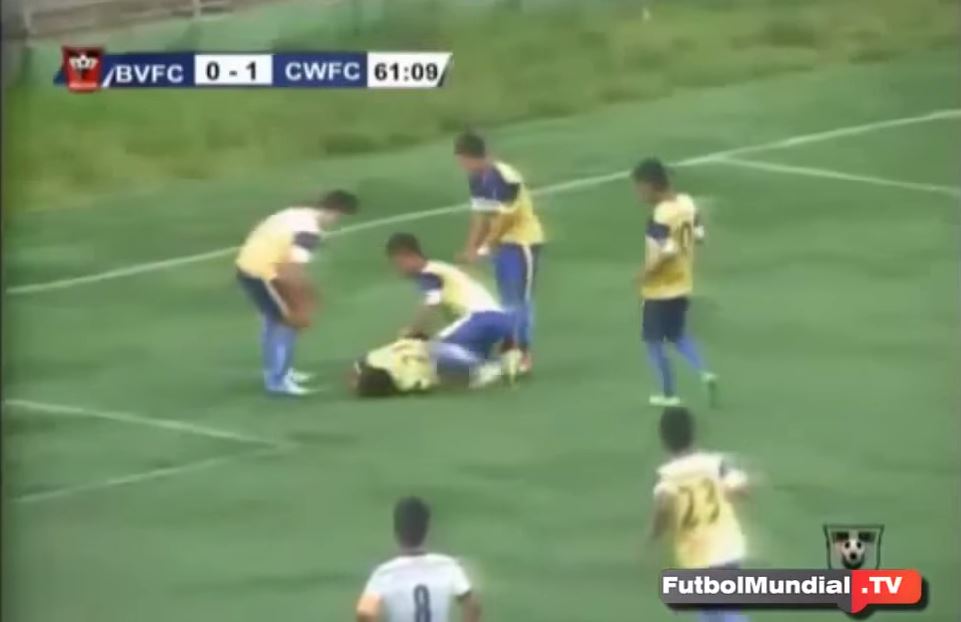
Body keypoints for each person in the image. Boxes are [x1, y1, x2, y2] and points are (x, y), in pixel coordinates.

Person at [235, 190, 358, 396]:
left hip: (251, 267)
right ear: (335, 212)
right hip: (263, 272)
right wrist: (303, 301)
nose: (336, 222)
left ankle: (280, 372)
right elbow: (291, 269)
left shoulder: (295, 213)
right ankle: (278, 381)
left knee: (275, 322)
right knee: (287, 323)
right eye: (339, 217)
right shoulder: (309, 232)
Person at [454, 131, 544, 375]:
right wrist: (470, 248)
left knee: (519, 299)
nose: (461, 166)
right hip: (502, 246)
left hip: (523, 242)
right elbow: (480, 217)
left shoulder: (505, 177)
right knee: (506, 301)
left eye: (462, 160)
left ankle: (523, 352)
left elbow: (506, 218)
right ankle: (510, 349)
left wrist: (484, 247)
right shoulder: (476, 179)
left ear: (470, 157)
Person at [649, 406, 750, 622]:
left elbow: (663, 507)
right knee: (718, 609)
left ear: (664, 441)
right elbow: (741, 487)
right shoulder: (715, 464)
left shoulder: (667, 476)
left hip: (697, 553)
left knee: (716, 611)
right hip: (729, 546)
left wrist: (654, 535)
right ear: (694, 433)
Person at [633, 158, 717, 407]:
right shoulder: (687, 203)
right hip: (682, 283)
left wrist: (645, 273)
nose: (638, 194)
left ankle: (668, 394)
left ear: (649, 186)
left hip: (659, 289)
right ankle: (705, 371)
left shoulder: (659, 216)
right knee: (678, 335)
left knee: (653, 341)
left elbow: (667, 251)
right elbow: (699, 236)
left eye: (639, 188)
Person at [386, 232, 519, 387]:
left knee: (426, 350)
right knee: (452, 353)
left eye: (398, 264)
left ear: (406, 255)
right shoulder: (443, 268)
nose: (398, 270)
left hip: (479, 319)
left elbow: (431, 303)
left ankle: (485, 368)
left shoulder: (428, 273)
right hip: (499, 321)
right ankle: (502, 359)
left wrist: (412, 332)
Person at [356, 496, 482, 622]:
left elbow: (365, 613)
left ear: (396, 532)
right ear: (428, 530)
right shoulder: (448, 566)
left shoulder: (384, 573)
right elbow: (472, 604)